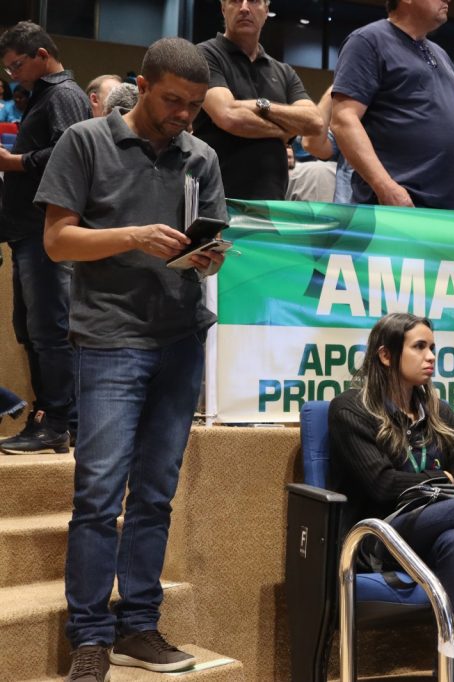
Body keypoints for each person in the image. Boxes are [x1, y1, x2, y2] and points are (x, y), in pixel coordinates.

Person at [36, 37, 228, 681]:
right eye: (174, 101)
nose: (185, 116)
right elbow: (58, 242)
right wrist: (135, 238)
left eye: (195, 106)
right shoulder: (85, 141)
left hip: (180, 339)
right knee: (98, 496)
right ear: (141, 88)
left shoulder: (201, 156)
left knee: (155, 494)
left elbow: (214, 233)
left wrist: (208, 254)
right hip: (110, 340)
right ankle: (89, 635)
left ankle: (137, 626)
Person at [328, 313, 454, 680]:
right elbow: (382, 488)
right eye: (419, 347)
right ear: (386, 355)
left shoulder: (440, 414)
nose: (431, 356)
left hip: (432, 533)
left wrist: (429, 483)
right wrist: (437, 478)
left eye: (432, 347)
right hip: (378, 538)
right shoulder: (351, 408)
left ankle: (451, 676)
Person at [0, 21, 90, 455]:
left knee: (50, 330)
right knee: (33, 330)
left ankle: (59, 420)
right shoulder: (44, 95)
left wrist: (15, 162)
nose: (12, 74)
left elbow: (72, 153)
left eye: (17, 65)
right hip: (27, 232)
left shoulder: (64, 95)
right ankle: (50, 418)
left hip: (47, 232)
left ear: (41, 55)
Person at [330, 0, 454, 210]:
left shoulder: (441, 54)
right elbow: (344, 120)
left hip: (452, 206)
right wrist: (384, 186)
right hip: (401, 204)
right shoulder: (368, 41)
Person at [193, 0, 322, 200]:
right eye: (235, 1)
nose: (244, 8)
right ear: (223, 8)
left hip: (272, 202)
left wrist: (263, 107)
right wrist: (285, 130)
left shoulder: (284, 71)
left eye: (254, 1)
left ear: (266, 10)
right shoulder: (204, 55)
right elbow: (229, 116)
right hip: (215, 200)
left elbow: (315, 122)